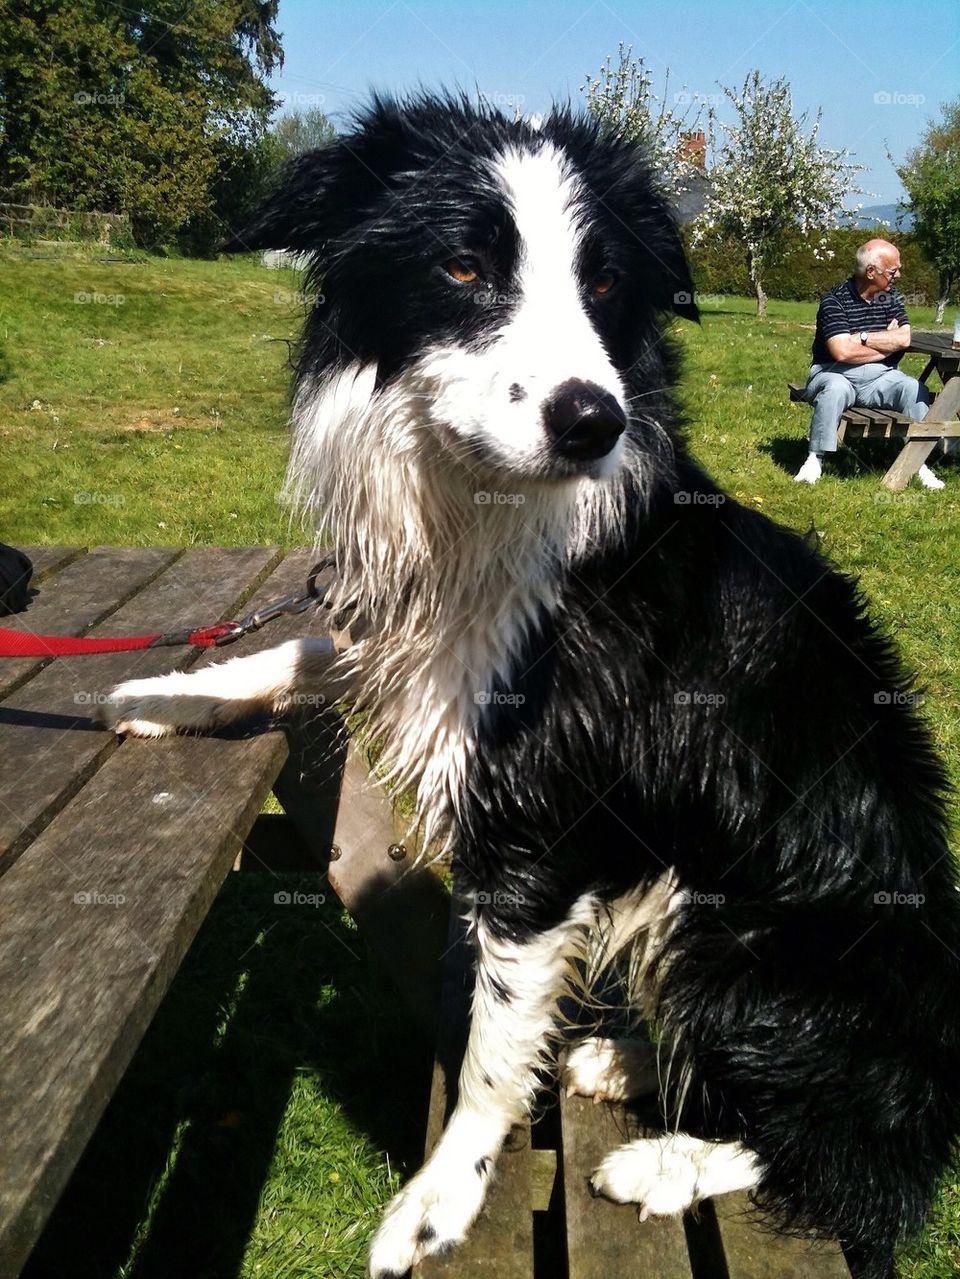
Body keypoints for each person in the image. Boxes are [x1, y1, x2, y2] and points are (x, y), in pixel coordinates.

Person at [794, 239, 941, 488]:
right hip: (833, 373)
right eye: (893, 271)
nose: (898, 276)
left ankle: (919, 462)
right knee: (835, 389)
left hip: (880, 377)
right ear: (871, 271)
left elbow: (904, 338)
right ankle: (814, 459)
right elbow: (842, 352)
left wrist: (861, 338)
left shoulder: (890, 298)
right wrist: (886, 344)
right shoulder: (834, 301)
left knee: (914, 388)